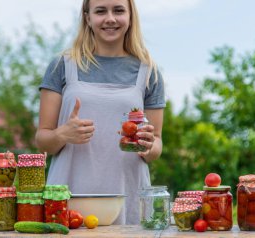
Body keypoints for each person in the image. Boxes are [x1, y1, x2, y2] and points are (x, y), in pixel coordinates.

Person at [35, 0, 165, 225]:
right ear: (87, 17)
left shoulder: (149, 72)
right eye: (101, 11)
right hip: (69, 194)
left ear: (130, 15)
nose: (110, 18)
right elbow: (42, 139)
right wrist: (61, 135)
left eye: (118, 10)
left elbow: (157, 145)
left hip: (127, 195)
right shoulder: (63, 65)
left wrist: (148, 146)